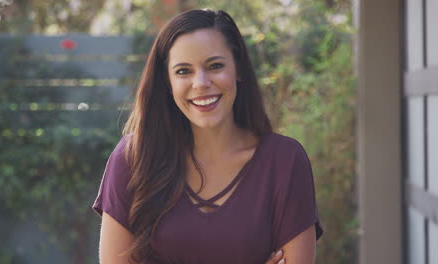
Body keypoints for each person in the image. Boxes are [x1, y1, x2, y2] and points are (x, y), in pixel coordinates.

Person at [93, 9, 323, 264]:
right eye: (183, 71)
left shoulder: (284, 161)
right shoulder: (133, 158)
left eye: (215, 66)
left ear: (239, 69)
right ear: (167, 83)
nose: (201, 83)